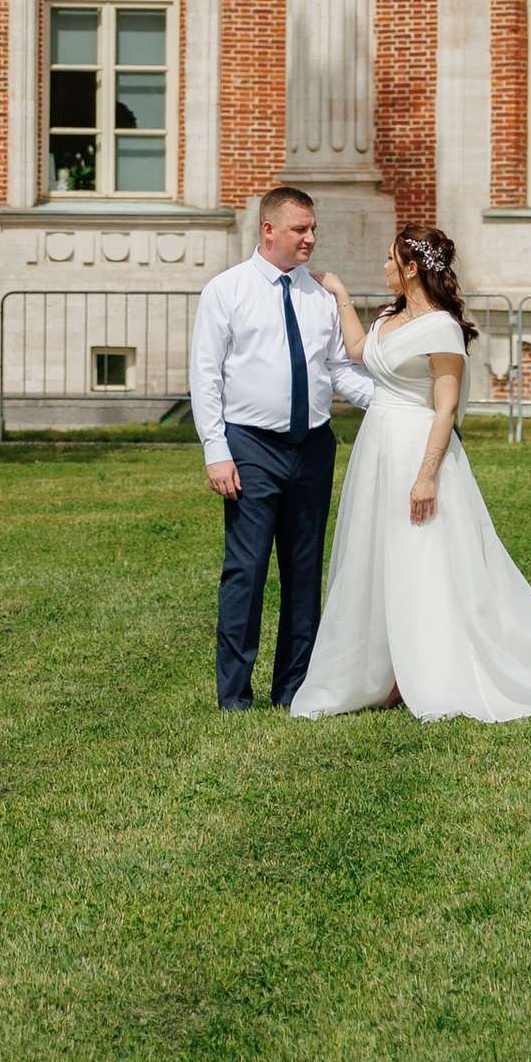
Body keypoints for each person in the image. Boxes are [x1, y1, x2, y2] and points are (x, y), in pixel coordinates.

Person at [292, 223, 531, 724]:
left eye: (389, 258)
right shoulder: (387, 317)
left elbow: (445, 409)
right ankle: (381, 672)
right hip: (376, 448)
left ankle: (424, 671)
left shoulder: (442, 329)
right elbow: (360, 352)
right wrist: (338, 294)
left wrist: (426, 475)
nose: (383, 267)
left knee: (421, 558)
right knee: (373, 556)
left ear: (412, 266)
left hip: (416, 449)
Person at [188, 184, 376, 709]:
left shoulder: (318, 295)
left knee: (303, 572)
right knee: (245, 572)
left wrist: (388, 403)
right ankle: (234, 695)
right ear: (269, 229)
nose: (310, 238)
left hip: (313, 446)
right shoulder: (226, 291)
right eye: (300, 229)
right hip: (250, 447)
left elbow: (339, 369)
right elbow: (205, 377)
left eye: (313, 228)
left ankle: (293, 689)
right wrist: (215, 450)